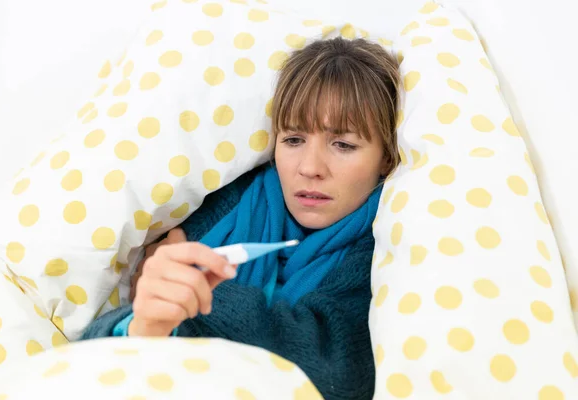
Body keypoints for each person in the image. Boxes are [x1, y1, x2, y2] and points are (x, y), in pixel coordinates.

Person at [82, 37, 400, 400]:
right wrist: (141, 325)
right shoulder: (230, 202)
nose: (310, 168)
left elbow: (336, 373)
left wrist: (200, 298)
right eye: (293, 139)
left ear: (386, 159)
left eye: (343, 145)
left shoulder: (381, 248)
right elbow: (100, 344)